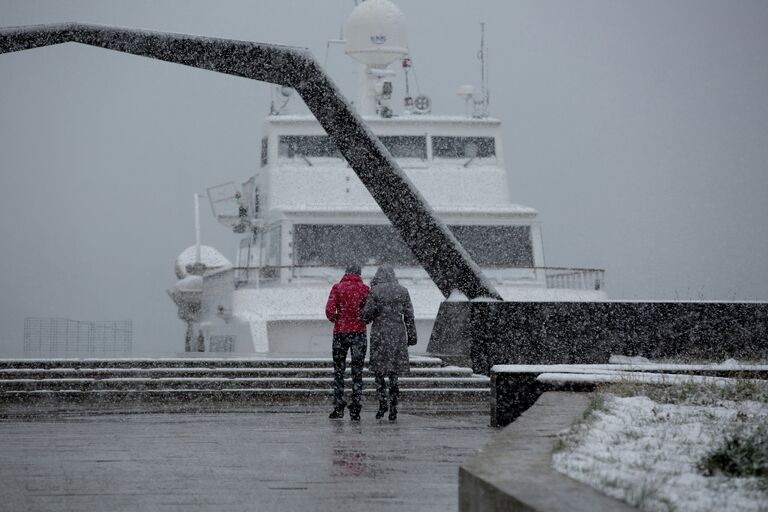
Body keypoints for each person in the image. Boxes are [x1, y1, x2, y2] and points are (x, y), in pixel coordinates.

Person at [362, 265, 417, 421]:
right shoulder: (403, 291)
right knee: (394, 372)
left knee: (379, 371)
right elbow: (409, 315)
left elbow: (367, 314)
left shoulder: (375, 291)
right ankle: (394, 405)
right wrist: (412, 335)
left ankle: (382, 403)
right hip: (397, 333)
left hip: (380, 332)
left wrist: (366, 316)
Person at [325, 263, 370, 421]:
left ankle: (338, 406)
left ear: (346, 273)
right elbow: (369, 311)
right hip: (359, 333)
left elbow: (329, 311)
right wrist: (361, 320)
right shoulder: (365, 289)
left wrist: (338, 319)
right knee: (357, 372)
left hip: (340, 333)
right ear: (359, 273)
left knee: (339, 371)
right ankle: (355, 407)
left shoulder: (337, 288)